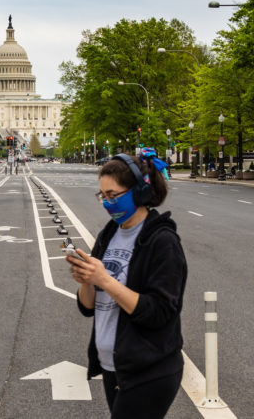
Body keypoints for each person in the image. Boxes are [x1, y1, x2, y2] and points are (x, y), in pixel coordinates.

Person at [66, 154, 187, 418]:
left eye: (113, 195)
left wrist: (104, 280)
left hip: (150, 368)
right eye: (102, 196)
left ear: (140, 191)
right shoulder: (110, 233)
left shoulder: (162, 241)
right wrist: (86, 280)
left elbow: (160, 312)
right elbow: (88, 307)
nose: (107, 203)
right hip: (115, 366)